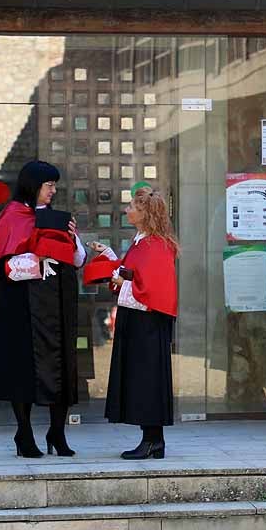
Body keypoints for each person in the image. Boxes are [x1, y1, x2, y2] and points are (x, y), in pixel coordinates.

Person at [0, 161, 86, 458]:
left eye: (55, 185)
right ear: (33, 186)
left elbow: (78, 260)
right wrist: (35, 262)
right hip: (24, 305)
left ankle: (57, 432)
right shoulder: (12, 215)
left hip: (58, 304)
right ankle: (24, 433)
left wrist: (73, 238)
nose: (54, 190)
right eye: (49, 185)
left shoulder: (57, 218)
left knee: (62, 367)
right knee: (23, 369)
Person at [90, 187, 178, 460]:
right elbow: (135, 274)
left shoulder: (155, 245)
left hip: (147, 322)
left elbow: (150, 287)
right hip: (140, 320)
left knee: (147, 380)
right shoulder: (144, 242)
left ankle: (152, 440)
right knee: (144, 379)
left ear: (145, 214)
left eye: (132, 207)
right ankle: (153, 440)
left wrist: (120, 281)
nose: (127, 210)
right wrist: (110, 259)